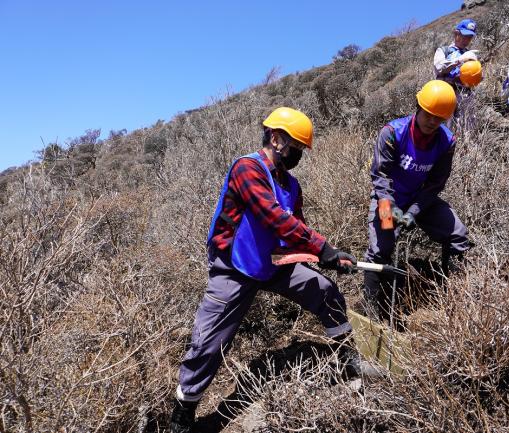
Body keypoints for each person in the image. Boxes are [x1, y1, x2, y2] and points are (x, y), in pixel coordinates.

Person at [170, 107, 366, 432]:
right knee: (208, 341)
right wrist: (323, 247)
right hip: (234, 266)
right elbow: (275, 218)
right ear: (275, 138)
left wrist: (329, 257)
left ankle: (349, 359)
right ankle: (184, 410)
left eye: (302, 150)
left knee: (326, 292)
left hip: (273, 263)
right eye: (295, 148)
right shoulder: (246, 168)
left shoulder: (291, 185)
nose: (297, 155)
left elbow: (296, 229)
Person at [363, 81, 472, 322]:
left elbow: (435, 183)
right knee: (381, 248)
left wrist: (413, 212)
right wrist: (391, 210)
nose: (433, 122)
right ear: (418, 107)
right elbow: (381, 177)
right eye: (429, 114)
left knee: (457, 234)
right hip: (387, 200)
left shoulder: (447, 142)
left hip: (420, 201)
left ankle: (454, 302)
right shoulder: (392, 133)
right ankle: (371, 312)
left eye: (440, 118)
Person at [434, 19, 479, 92]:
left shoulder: (470, 54)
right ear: (456, 34)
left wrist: (477, 75)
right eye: (465, 36)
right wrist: (460, 60)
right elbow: (439, 68)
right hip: (444, 94)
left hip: (465, 96)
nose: (467, 40)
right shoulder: (443, 50)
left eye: (470, 37)